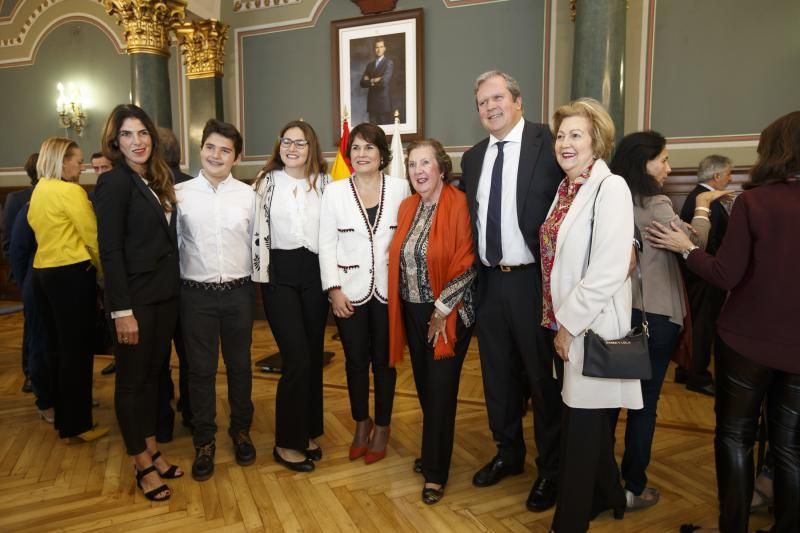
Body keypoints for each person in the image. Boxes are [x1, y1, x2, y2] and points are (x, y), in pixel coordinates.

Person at [646, 110, 800, 533]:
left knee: (735, 436)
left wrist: (685, 248)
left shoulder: (755, 201)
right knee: (789, 446)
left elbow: (725, 274)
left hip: (747, 341)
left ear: (776, 152)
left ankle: (733, 526)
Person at [609, 131, 732, 512]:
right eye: (662, 158)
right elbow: (696, 245)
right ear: (643, 162)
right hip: (655, 317)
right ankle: (633, 486)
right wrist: (702, 208)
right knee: (644, 405)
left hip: (618, 315)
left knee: (611, 403)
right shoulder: (656, 203)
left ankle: (602, 481)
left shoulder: (609, 200)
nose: (668, 166)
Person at [460, 70, 562, 512]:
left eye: (497, 97)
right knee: (497, 376)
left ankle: (551, 469)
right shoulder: (474, 157)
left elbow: (588, 190)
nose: (489, 107)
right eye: (482, 102)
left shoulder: (551, 142)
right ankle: (509, 453)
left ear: (518, 100)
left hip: (533, 281)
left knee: (541, 380)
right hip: (490, 282)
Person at [537, 98, 637, 531]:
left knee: (581, 429)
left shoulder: (609, 188)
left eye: (575, 134)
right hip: (563, 322)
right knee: (586, 423)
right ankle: (609, 495)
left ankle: (569, 522)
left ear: (597, 141)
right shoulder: (566, 188)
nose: (565, 142)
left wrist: (568, 326)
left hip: (589, 327)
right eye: (561, 135)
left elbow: (610, 268)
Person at [94, 104, 183, 502]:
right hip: (135, 302)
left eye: (142, 133)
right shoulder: (114, 183)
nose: (137, 142)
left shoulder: (155, 179)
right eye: (127, 135)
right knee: (131, 384)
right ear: (116, 142)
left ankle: (152, 449)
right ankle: (141, 465)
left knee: (153, 378)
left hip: (164, 298)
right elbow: (110, 252)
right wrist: (121, 311)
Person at [387, 139, 476, 504]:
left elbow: (467, 259)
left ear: (441, 168)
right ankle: (433, 450)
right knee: (425, 387)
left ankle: (436, 473)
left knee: (440, 390)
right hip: (413, 311)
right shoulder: (408, 206)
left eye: (426, 163)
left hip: (448, 313)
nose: (418, 171)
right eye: (412, 165)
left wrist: (441, 309)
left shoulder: (459, 204)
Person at [319, 122, 410, 464]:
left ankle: (383, 427)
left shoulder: (401, 188)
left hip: (389, 293)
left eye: (368, 147)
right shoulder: (334, 191)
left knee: (385, 364)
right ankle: (361, 423)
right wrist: (333, 289)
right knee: (356, 362)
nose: (361, 154)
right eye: (355, 148)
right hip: (349, 294)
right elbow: (326, 244)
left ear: (382, 154)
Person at [175, 119, 256, 482]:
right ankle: (204, 441)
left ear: (236, 157)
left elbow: (259, 245)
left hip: (239, 293)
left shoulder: (248, 196)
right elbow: (172, 247)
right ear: (201, 149)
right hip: (196, 296)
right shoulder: (179, 194)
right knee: (201, 371)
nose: (216, 155)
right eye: (211, 147)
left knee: (240, 367)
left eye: (225, 150)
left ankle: (241, 431)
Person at [252, 120, 330, 473]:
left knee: (312, 357)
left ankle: (307, 432)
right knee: (296, 358)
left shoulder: (327, 184)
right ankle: (286, 443)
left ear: (311, 148)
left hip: (315, 274)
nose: (293, 148)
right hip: (278, 276)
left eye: (300, 143)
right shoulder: (264, 183)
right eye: (287, 142)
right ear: (279, 145)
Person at [27, 137, 108, 444]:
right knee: (77, 352)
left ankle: (65, 418)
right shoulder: (70, 191)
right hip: (73, 275)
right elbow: (92, 236)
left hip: (44, 274)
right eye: (77, 160)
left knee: (58, 350)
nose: (82, 165)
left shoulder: (40, 190)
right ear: (62, 162)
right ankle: (79, 425)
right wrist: (104, 273)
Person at [675, 155, 733, 396]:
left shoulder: (701, 196)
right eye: (729, 174)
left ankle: (685, 370)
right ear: (717, 176)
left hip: (700, 272)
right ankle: (696, 376)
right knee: (702, 326)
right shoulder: (702, 199)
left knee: (697, 324)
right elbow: (705, 243)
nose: (730, 178)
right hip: (704, 274)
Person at [156, 127, 193, 436]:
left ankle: (163, 423)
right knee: (191, 354)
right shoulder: (195, 185)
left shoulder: (152, 188)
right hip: (193, 284)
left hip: (159, 287)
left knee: (157, 356)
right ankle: (192, 413)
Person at [4, 153, 39, 392]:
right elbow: (9, 243)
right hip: (30, 277)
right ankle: (30, 373)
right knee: (32, 329)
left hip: (56, 278)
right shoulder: (16, 199)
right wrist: (22, 277)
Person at [88, 152, 118, 377]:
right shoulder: (90, 196)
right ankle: (117, 356)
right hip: (99, 264)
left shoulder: (120, 191)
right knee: (107, 315)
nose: (99, 173)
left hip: (118, 263)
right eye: (95, 168)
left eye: (104, 168)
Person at [359, 38, 394, 124]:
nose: (379, 49)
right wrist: (374, 80)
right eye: (377, 47)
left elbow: (384, 82)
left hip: (383, 103)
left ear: (385, 48)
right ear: (374, 49)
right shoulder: (370, 65)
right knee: (372, 133)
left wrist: (370, 81)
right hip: (372, 104)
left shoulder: (389, 63)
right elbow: (362, 83)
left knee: (384, 132)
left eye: (381, 47)